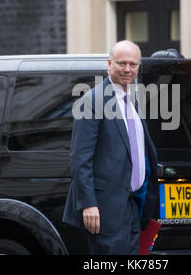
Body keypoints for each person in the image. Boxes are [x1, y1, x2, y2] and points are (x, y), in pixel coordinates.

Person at [63, 40, 158, 255]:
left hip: (134, 207)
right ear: (109, 64)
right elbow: (80, 158)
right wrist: (88, 204)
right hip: (104, 210)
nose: (127, 69)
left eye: (133, 64)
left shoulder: (132, 101)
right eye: (121, 63)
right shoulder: (92, 101)